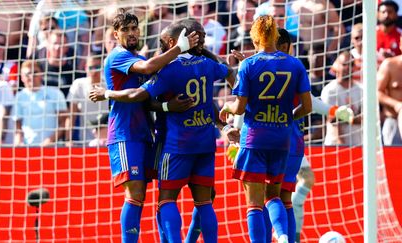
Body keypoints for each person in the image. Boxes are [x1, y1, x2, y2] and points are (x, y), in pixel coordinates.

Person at [90, 20, 234, 242]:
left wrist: (224, 125)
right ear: (116, 34)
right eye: (125, 29)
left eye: (134, 28)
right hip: (130, 134)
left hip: (162, 139)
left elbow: (145, 96)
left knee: (167, 198)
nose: (131, 33)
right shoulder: (123, 58)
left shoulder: (161, 66)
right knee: (139, 195)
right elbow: (226, 71)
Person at [225, 28, 355, 243]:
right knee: (284, 199)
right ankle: (288, 238)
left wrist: (236, 134)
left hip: (263, 139)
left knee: (261, 200)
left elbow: (245, 105)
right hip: (291, 142)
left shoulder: (262, 67)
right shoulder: (293, 68)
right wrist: (334, 111)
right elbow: (309, 104)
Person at [219, 16, 312, 243]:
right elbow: (307, 107)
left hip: (255, 139)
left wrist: (226, 107)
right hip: (281, 140)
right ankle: (282, 236)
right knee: (274, 197)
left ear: (255, 36)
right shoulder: (295, 64)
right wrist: (286, 118)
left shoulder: (249, 65)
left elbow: (240, 108)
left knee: (254, 203)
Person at [13, 60, 68, 146]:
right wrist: (19, 143)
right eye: (28, 74)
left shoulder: (55, 93)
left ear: (41, 74)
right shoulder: (19, 96)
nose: (31, 76)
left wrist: (49, 141)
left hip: (53, 148)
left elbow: (64, 122)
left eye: (35, 72)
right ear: (22, 78)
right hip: (27, 148)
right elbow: (18, 126)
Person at [321, 51, 362, 146]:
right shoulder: (329, 90)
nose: (348, 67)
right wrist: (341, 144)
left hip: (358, 145)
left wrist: (343, 117)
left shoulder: (361, 89)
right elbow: (332, 119)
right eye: (344, 64)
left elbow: (365, 117)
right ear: (336, 66)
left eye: (351, 64)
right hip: (334, 145)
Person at [66, 54, 108, 145]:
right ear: (85, 68)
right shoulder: (78, 84)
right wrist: (68, 139)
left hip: (108, 140)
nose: (94, 70)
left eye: (97, 67)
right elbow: (71, 114)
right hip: (85, 141)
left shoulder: (109, 85)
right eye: (91, 67)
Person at [377, 50, 402, 145]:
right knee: (392, 158)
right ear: (400, 44)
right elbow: (377, 92)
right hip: (393, 121)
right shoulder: (390, 65)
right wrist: (396, 104)